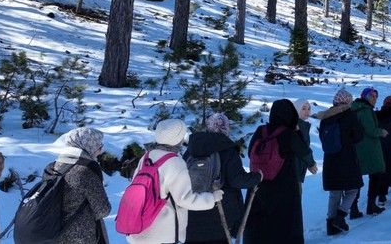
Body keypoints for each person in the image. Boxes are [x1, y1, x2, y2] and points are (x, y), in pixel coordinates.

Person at [126, 119, 222, 244]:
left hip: (139, 227)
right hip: (162, 234)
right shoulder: (174, 162)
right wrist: (211, 198)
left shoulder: (146, 157)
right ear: (178, 139)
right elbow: (185, 199)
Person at [185, 113, 263, 244]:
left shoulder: (192, 149)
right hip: (220, 213)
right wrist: (257, 177)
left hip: (193, 209)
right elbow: (237, 180)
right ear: (226, 128)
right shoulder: (227, 150)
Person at [244, 100, 311, 244]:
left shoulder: (260, 131)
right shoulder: (288, 134)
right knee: (285, 226)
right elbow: (304, 151)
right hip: (284, 187)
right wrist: (298, 131)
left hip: (258, 185)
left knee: (259, 226)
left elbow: (251, 153)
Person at [314, 89, 364, 235]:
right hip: (348, 159)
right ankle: (340, 217)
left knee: (334, 193)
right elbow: (358, 136)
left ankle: (331, 226)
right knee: (353, 189)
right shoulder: (350, 115)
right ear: (348, 101)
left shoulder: (325, 117)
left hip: (330, 161)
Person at [55, 127, 111, 244]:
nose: (100, 151)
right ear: (88, 145)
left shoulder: (55, 165)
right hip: (81, 237)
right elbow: (103, 209)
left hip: (55, 233)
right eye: (99, 146)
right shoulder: (85, 171)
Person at [350, 87, 388, 217]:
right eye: (372, 96)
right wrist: (381, 132)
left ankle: (353, 208)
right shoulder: (365, 111)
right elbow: (371, 130)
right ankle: (371, 206)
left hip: (357, 148)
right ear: (365, 97)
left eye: (376, 97)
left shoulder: (355, 108)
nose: (374, 99)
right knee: (376, 175)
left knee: (357, 179)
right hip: (370, 149)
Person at [291, 99, 319, 188]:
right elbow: (302, 148)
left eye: (309, 108)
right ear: (296, 109)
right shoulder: (299, 126)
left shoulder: (296, 123)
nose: (307, 111)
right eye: (303, 108)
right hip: (295, 170)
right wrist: (311, 164)